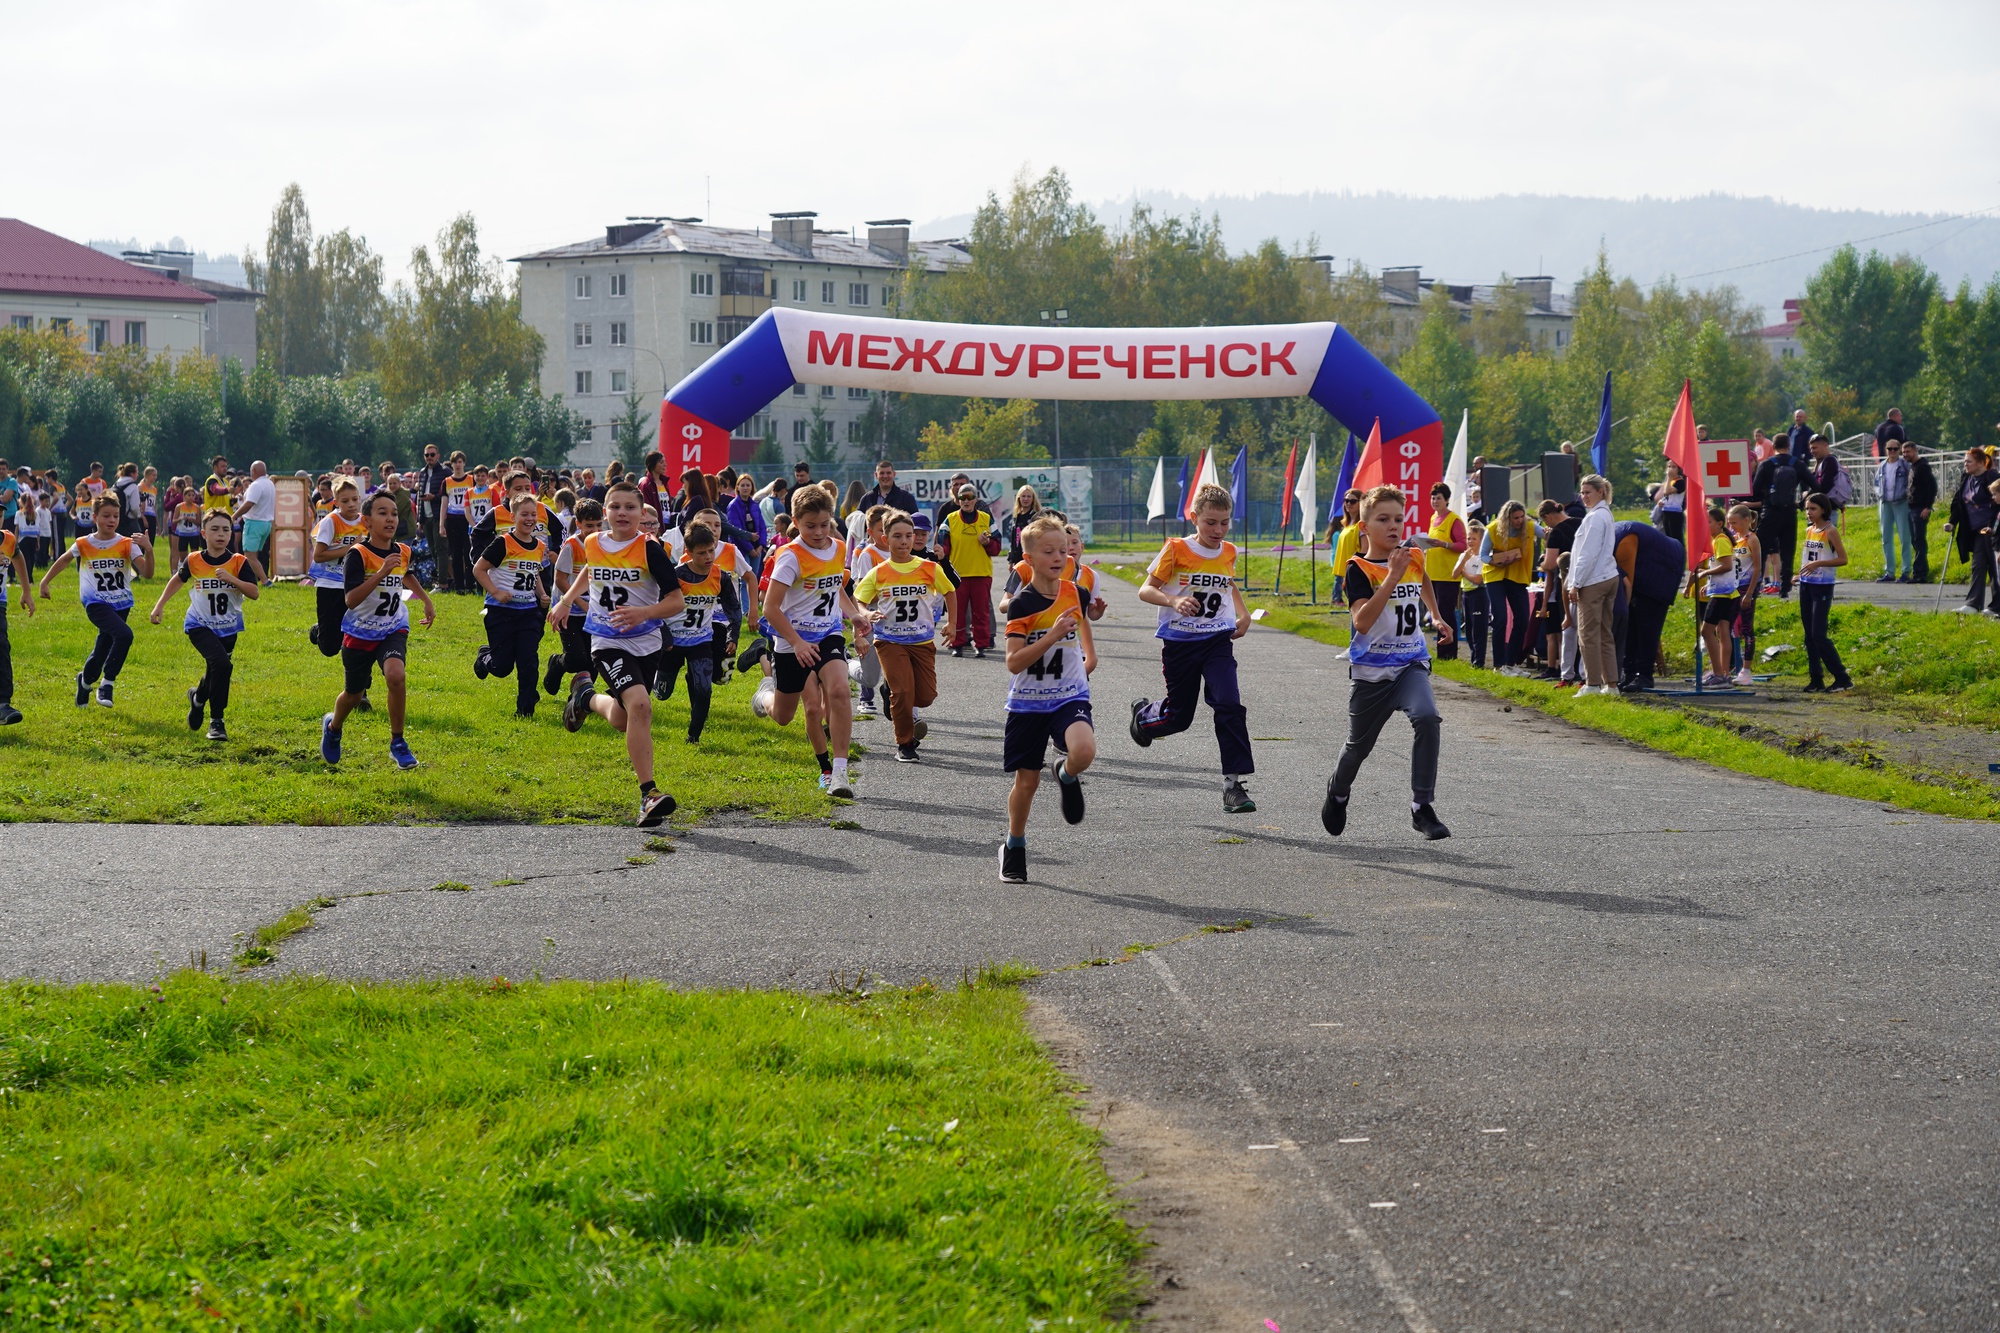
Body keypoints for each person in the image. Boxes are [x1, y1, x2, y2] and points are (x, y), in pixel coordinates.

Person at [1321, 484, 1454, 842]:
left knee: (1427, 717)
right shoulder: (1358, 569)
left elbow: (1422, 579)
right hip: (1372, 673)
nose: (1394, 526)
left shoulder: (1411, 556)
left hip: (1410, 662)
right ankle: (1338, 791)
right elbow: (1362, 621)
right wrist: (1392, 576)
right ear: (1364, 527)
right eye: (1383, 519)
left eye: (1398, 518)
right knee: (1357, 748)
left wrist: (1436, 616)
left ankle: (1421, 807)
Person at [547, 480, 682, 824]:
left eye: (630, 507)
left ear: (642, 514)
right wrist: (565, 601)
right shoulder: (593, 542)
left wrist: (644, 613)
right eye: (615, 507)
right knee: (640, 706)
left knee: (624, 719)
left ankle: (585, 698)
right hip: (606, 641)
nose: (622, 513)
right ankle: (648, 795)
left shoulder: (651, 550)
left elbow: (675, 601)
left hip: (646, 643)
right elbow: (589, 570)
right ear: (605, 512)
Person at [1128, 483, 1256, 814]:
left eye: (1225, 522)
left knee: (1229, 703)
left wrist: (1243, 614)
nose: (1218, 530)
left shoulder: (1229, 551)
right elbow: (1146, 590)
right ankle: (1144, 717)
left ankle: (1233, 785)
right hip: (1181, 643)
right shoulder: (1176, 548)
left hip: (1217, 640)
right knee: (1179, 718)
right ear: (1194, 517)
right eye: (1211, 522)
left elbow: (1227, 583)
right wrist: (1174, 600)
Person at [998, 513, 1098, 883]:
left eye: (1063, 551)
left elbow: (1083, 618)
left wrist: (1091, 635)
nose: (1059, 557)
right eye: (1048, 551)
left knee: (1084, 750)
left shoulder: (1077, 592)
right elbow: (1013, 662)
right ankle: (1015, 844)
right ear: (1029, 560)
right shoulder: (1022, 604)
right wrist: (1052, 636)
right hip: (1028, 703)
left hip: (1069, 694)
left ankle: (1067, 774)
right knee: (1026, 782)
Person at [319, 492, 435, 770]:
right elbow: (351, 599)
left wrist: (427, 600)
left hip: (393, 626)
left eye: (394, 513)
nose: (391, 519)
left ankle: (398, 742)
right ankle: (333, 727)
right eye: (383, 513)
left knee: (396, 675)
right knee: (354, 695)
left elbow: (406, 573)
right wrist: (381, 572)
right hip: (359, 631)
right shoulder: (357, 554)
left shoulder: (402, 551)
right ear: (367, 522)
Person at [760, 484, 863, 797]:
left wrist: (855, 616)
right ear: (795, 520)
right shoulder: (790, 557)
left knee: (839, 690)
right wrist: (797, 642)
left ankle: (839, 772)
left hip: (828, 633)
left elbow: (835, 591)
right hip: (792, 642)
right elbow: (770, 608)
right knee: (785, 715)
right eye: (810, 526)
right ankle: (764, 694)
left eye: (824, 524)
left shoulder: (838, 547)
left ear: (832, 518)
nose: (818, 533)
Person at [146, 508, 261, 741]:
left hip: (228, 627)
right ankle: (217, 722)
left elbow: (254, 593)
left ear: (231, 534)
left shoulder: (239, 561)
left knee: (216, 669)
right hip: (199, 624)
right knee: (222, 665)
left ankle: (198, 698)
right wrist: (159, 605)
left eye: (226, 530)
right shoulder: (194, 559)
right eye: (215, 529)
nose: (221, 534)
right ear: (203, 533)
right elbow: (177, 580)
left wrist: (232, 579)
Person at [853, 510, 956, 762]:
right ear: (886, 539)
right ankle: (905, 744)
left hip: (921, 642)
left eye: (909, 536)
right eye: (897, 536)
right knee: (902, 694)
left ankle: (890, 687)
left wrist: (952, 623)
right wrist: (867, 614)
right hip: (890, 641)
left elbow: (950, 592)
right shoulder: (880, 571)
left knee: (925, 696)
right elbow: (859, 600)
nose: (904, 541)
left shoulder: (929, 568)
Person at [39, 494, 155, 707]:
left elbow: (147, 573)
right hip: (95, 603)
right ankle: (107, 684)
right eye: (106, 516)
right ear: (94, 517)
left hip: (121, 603)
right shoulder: (84, 543)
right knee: (124, 635)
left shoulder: (127, 544)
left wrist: (149, 549)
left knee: (103, 646)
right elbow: (63, 560)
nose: (111, 520)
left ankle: (84, 682)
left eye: (116, 516)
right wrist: (44, 581)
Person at [656, 521, 740, 744]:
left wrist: (734, 635)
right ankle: (668, 677)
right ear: (688, 552)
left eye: (711, 550)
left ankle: (693, 736)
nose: (708, 556)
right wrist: (664, 636)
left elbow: (733, 609)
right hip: (672, 642)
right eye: (701, 553)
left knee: (704, 689)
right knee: (661, 694)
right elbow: (655, 607)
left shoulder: (720, 577)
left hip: (701, 639)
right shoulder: (675, 576)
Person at [472, 490, 552, 719]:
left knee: (529, 660)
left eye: (533, 514)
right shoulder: (503, 543)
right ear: (513, 517)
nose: (529, 519)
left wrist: (542, 595)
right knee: (502, 667)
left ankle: (525, 709)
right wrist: (495, 592)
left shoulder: (538, 546)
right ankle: (484, 657)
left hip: (528, 612)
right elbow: (479, 569)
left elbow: (533, 572)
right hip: (500, 612)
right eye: (524, 514)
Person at [542, 497, 602, 699]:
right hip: (569, 609)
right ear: (578, 524)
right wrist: (581, 603)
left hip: (592, 610)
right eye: (589, 526)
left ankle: (581, 697)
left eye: (598, 525)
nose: (594, 530)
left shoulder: (604, 545)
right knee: (576, 658)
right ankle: (557, 663)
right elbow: (559, 580)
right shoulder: (571, 546)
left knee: (594, 658)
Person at [309, 479, 370, 666]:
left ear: (360, 498)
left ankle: (360, 687)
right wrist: (351, 548)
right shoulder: (331, 522)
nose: (351, 504)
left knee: (357, 637)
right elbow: (319, 556)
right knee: (329, 648)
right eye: (345, 501)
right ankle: (319, 630)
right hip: (330, 584)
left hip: (355, 585)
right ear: (336, 502)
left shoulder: (365, 522)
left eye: (354, 499)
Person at [1568, 474, 1620, 693]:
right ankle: (1612, 684)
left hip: (1593, 580)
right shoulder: (1605, 515)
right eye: (1582, 492)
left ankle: (1592, 683)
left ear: (1600, 492)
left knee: (1588, 634)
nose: (1584, 496)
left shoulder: (1595, 517)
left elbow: (1587, 554)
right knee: (1604, 633)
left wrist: (1576, 583)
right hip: (1608, 576)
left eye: (1588, 492)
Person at [1797, 493, 1853, 692]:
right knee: (1809, 635)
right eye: (1806, 509)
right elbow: (1809, 556)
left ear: (1823, 510)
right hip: (1806, 584)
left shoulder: (1830, 531)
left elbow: (1843, 559)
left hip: (1823, 585)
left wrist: (1819, 563)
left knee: (1819, 634)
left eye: (1813, 509)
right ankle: (1816, 678)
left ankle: (1842, 677)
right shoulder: (1809, 530)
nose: (1809, 513)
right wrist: (1800, 573)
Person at [941, 483, 997, 657]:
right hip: (958, 575)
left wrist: (987, 543)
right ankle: (957, 644)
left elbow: (997, 548)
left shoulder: (986, 519)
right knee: (957, 612)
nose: (966, 501)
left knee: (981, 612)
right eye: (962, 497)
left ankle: (981, 645)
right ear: (958, 500)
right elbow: (943, 548)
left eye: (970, 497)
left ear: (976, 499)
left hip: (981, 573)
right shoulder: (950, 519)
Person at [1480, 500, 1535, 672]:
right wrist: (1495, 562)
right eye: (1515, 518)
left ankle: (1510, 664)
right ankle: (1498, 664)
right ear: (1507, 518)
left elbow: (1546, 533)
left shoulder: (1529, 527)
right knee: (1501, 618)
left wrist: (1550, 531)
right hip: (1495, 575)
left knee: (1522, 619)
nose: (1519, 521)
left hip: (1517, 576)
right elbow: (1482, 555)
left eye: (1521, 517)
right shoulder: (1492, 529)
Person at [1750, 431, 1804, 595]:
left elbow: (1755, 489)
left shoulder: (1766, 464)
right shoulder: (1797, 464)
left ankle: (1756, 586)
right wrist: (1800, 503)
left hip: (1770, 512)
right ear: (1789, 446)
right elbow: (1814, 484)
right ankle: (1785, 588)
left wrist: (1767, 497)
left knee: (1762, 548)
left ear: (1773, 447)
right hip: (1789, 512)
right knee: (1787, 550)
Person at [1419, 483, 1467, 660]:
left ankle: (1450, 653)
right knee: (1436, 613)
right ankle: (1441, 652)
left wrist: (1443, 544)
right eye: (1433, 498)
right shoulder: (1433, 518)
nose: (1435, 501)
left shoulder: (1453, 520)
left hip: (1448, 575)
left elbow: (1463, 545)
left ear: (1447, 500)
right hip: (1433, 572)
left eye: (1439, 498)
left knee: (1446, 613)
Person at [1948, 447, 1997, 614]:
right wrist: (1952, 522)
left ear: (1981, 463)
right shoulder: (1966, 478)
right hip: (1975, 530)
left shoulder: (1992, 477)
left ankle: (1996, 607)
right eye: (1964, 461)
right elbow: (1958, 501)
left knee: (1995, 569)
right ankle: (1973, 604)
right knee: (1978, 566)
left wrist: (1993, 526)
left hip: (1993, 531)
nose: (1965, 465)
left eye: (1969, 461)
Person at [1723, 504, 1764, 686]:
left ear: (1747, 521)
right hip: (1733, 587)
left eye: (1735, 523)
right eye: (1729, 523)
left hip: (1747, 587)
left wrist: (1749, 593)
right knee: (1732, 628)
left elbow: (1757, 568)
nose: (1732, 527)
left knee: (1747, 628)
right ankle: (1733, 666)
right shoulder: (1734, 539)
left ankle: (1746, 670)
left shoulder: (1752, 539)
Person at [0, 511, 32, 725]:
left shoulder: (8, 540)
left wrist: (26, 591)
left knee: (1, 646)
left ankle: (2, 705)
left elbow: (18, 557)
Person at [1873, 443, 1914, 582]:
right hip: (1885, 503)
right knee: (1886, 538)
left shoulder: (1904, 465)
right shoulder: (1882, 465)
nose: (1892, 451)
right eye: (1889, 449)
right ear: (1886, 450)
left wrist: (1906, 495)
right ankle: (1889, 572)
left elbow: (1911, 482)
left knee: (1904, 537)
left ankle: (1906, 571)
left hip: (1901, 503)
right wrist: (1880, 494)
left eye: (1895, 449)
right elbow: (1876, 483)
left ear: (1899, 450)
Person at [232, 462, 278, 582]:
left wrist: (234, 516)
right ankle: (255, 577)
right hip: (266, 523)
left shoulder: (256, 485)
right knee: (256, 554)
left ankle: (265, 580)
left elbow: (249, 503)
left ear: (253, 471)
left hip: (254, 522)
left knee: (249, 555)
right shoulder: (270, 484)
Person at [1905, 439, 1938, 583]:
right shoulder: (1913, 466)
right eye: (1904, 452)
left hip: (1920, 509)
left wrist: (1927, 507)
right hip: (1911, 507)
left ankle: (1920, 574)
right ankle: (1917, 572)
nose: (1906, 454)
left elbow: (1932, 487)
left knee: (1919, 541)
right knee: (1915, 540)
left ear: (1915, 451)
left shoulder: (1922, 467)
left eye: (1908, 452)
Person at [12, 485, 50, 588]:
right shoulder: (35, 513)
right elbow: (37, 529)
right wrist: (38, 541)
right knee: (31, 559)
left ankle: (27, 578)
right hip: (33, 538)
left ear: (22, 501)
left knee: (25, 559)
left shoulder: (19, 513)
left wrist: (15, 540)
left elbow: (17, 528)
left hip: (23, 538)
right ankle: (30, 577)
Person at [1002, 485, 1042, 565]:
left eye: (1028, 496)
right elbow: (1014, 540)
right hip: (1017, 560)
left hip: (1031, 559)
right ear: (1019, 498)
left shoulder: (1036, 517)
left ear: (1033, 499)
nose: (1026, 499)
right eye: (1023, 496)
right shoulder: (1016, 517)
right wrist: (1011, 560)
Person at [1655, 459, 1687, 544]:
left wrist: (1668, 478)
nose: (1670, 469)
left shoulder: (1680, 482)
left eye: (1673, 467)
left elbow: (1667, 491)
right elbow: (1665, 496)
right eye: (1669, 467)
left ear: (1678, 469)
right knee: (1668, 537)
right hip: (1666, 511)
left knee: (1676, 537)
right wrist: (1661, 502)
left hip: (1675, 513)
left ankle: (1680, 555)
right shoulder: (1670, 482)